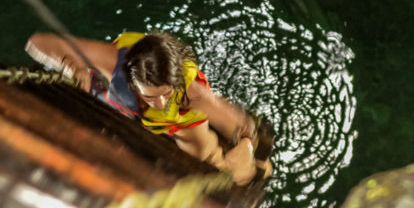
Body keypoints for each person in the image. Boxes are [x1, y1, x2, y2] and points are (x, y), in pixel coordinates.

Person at [25, 30, 271, 185]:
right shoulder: (113, 63)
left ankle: (244, 168)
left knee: (204, 153)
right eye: (152, 96)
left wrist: (246, 149)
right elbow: (38, 42)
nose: (161, 104)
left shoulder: (193, 95)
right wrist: (74, 67)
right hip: (126, 103)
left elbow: (242, 125)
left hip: (181, 122)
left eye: (165, 94)